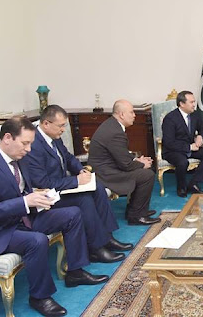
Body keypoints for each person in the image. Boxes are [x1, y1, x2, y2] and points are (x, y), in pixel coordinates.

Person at [0, 117, 109, 317]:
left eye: (30, 143)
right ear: (7, 138)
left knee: (72, 213)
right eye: (25, 143)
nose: (29, 149)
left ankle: (75, 272)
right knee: (36, 241)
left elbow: (23, 190)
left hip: (23, 217)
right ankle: (40, 297)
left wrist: (40, 198)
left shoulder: (19, 157)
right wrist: (24, 202)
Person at [21, 105, 133, 264]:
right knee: (84, 200)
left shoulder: (54, 137)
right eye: (60, 126)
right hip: (47, 195)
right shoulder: (33, 145)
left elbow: (68, 157)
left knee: (98, 187)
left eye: (64, 126)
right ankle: (96, 248)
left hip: (61, 187)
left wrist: (80, 171)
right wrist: (75, 181)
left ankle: (107, 238)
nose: (63, 130)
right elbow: (42, 182)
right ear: (46, 124)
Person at [88, 100, 160, 226]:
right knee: (147, 174)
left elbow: (120, 154)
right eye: (131, 112)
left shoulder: (112, 125)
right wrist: (142, 164)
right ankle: (136, 216)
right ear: (121, 114)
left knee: (144, 171)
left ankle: (134, 210)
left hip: (107, 168)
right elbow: (125, 165)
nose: (134, 115)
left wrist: (137, 160)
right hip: (106, 174)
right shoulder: (115, 132)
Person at [161, 91, 203, 197]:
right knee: (182, 162)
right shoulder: (170, 118)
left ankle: (194, 183)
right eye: (191, 102)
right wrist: (189, 147)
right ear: (182, 104)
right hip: (173, 150)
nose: (194, 104)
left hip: (191, 148)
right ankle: (181, 187)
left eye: (194, 102)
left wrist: (200, 136)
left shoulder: (194, 115)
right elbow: (169, 142)